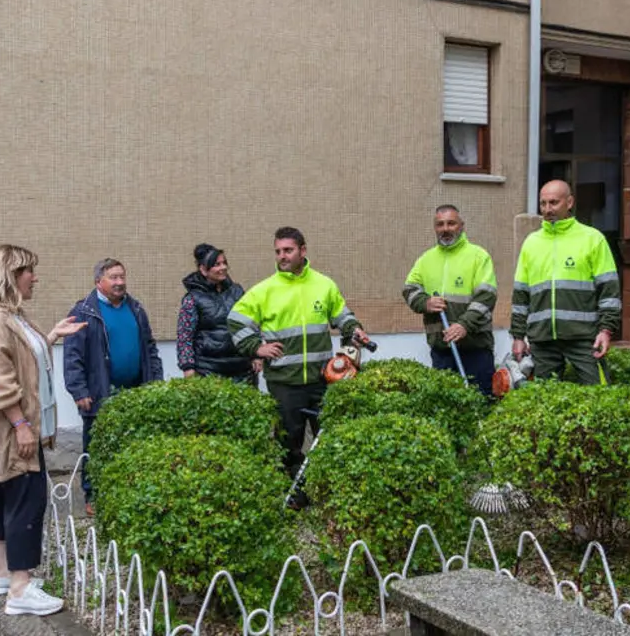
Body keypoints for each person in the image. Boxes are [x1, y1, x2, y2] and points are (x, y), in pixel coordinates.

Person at [0, 244, 85, 616]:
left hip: (8, 430)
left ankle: (1, 574)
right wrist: (22, 426)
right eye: (29, 270)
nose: (35, 277)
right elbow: (1, 382)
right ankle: (21, 587)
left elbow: (22, 360)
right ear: (11, 275)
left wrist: (49, 337)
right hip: (8, 432)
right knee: (26, 500)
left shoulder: (8, 316)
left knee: (2, 497)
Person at [227, 227, 368, 500]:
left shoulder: (324, 285)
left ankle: (327, 495)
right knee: (288, 444)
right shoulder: (265, 290)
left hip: (322, 380)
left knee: (328, 440)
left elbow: (342, 316)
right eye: (278, 251)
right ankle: (294, 497)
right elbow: (235, 320)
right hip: (284, 382)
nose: (282, 256)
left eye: (288, 250)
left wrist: (355, 329)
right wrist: (256, 347)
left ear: (303, 251)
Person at [63, 258, 164, 516]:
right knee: (96, 446)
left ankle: (127, 491)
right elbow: (72, 356)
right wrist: (79, 391)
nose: (120, 282)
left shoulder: (136, 309)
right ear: (99, 281)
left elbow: (149, 348)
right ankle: (92, 494)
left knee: (133, 444)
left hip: (135, 392)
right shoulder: (84, 311)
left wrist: (155, 381)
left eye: (122, 277)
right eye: (113, 278)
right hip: (100, 393)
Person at [510, 180, 621, 384]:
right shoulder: (531, 243)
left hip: (584, 336)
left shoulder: (592, 239)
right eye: (543, 204)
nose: (547, 209)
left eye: (553, 203)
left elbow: (609, 291)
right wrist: (518, 336)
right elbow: (520, 295)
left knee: (597, 392)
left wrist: (606, 330)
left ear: (569, 202)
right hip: (542, 339)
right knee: (544, 400)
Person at [402, 204, 498, 396]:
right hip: (442, 350)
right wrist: (425, 303)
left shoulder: (478, 256)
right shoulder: (425, 259)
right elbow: (409, 289)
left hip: (475, 349)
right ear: (435, 228)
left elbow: (486, 297)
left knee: (481, 402)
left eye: (451, 223)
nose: (445, 229)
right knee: (446, 408)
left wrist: (464, 325)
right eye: (440, 224)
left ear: (462, 226)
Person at [177, 243, 259, 384]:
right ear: (203, 269)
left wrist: (257, 353)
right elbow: (185, 337)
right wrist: (188, 368)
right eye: (217, 264)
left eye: (224, 263)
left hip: (242, 370)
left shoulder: (237, 291)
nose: (223, 268)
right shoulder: (192, 299)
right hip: (208, 371)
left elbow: (251, 324)